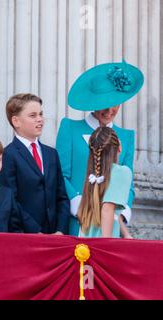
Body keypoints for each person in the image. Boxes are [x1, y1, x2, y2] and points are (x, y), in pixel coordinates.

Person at [56, 61, 144, 238]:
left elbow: (128, 181)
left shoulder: (126, 136)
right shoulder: (70, 128)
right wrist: (80, 205)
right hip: (79, 220)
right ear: (93, 102)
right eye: (105, 104)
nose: (110, 110)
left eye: (116, 104)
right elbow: (61, 174)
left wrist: (121, 213)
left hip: (112, 224)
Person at [0, 94, 70, 234]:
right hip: (25, 236)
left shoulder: (51, 154)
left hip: (55, 235)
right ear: (16, 121)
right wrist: (35, 231)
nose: (40, 119)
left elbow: (62, 197)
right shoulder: (8, 155)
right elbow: (11, 200)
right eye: (33, 115)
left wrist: (60, 230)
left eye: (41, 114)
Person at [78, 127, 132, 238]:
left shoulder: (92, 176)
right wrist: (106, 245)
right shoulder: (121, 172)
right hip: (102, 248)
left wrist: (126, 235)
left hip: (84, 247)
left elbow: (112, 211)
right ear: (119, 148)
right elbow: (107, 209)